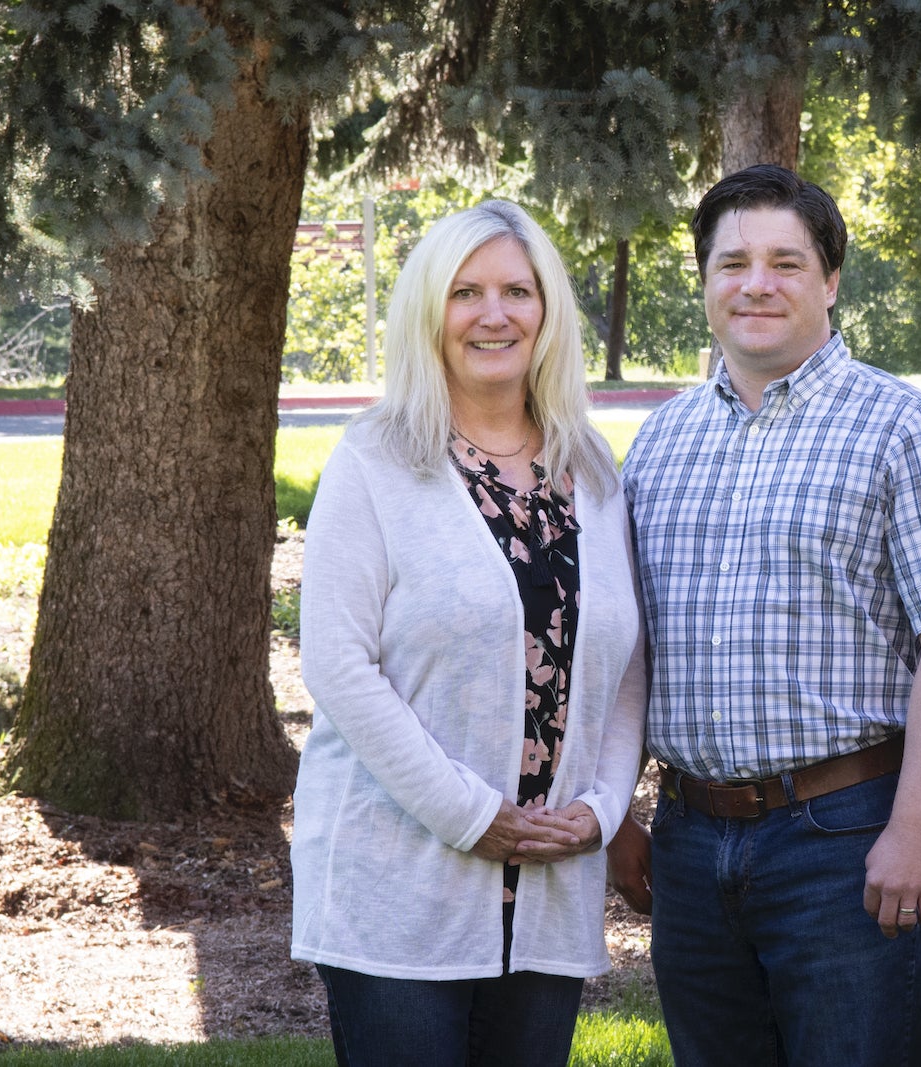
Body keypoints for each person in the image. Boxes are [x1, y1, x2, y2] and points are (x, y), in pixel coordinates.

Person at [606, 164, 921, 1066]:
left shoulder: (907, 427)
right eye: (732, 262)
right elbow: (631, 645)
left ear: (830, 280)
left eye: (787, 262)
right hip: (689, 836)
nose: (757, 282)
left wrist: (914, 826)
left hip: (847, 833)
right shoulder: (660, 441)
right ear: (705, 281)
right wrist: (616, 808)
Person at [291, 200, 647, 1067]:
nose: (494, 314)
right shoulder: (377, 458)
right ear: (430, 313)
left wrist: (601, 810)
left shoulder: (591, 470)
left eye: (517, 290)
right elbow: (338, 665)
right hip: (398, 883)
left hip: (550, 887)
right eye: (466, 292)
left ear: (548, 310)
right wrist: (470, 814)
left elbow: (627, 663)